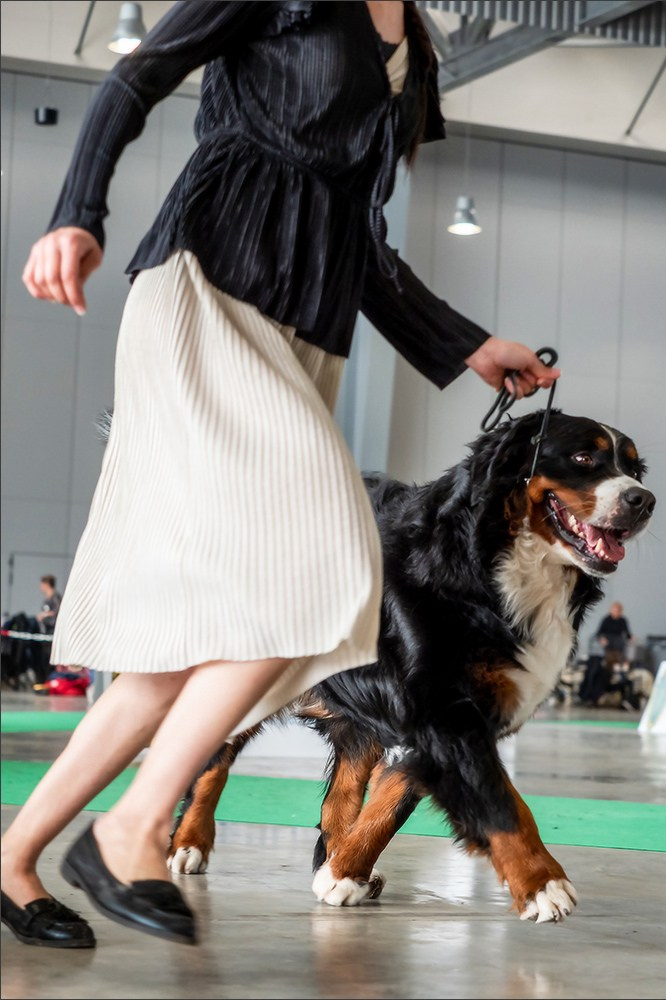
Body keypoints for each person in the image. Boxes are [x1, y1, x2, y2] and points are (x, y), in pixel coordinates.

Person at [0, 0, 560, 950]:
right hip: (209, 291)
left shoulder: (414, 51)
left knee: (182, 653)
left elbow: (357, 235)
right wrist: (75, 215)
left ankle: (13, 860)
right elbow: (139, 74)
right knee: (329, 566)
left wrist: (468, 346)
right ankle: (132, 828)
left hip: (305, 334)